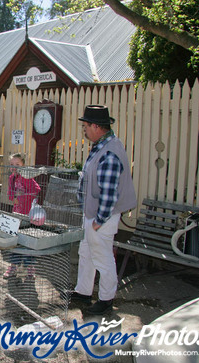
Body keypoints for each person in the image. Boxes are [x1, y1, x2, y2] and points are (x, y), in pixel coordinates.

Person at [71, 105, 137, 315]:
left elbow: (110, 192)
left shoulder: (109, 153)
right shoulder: (102, 145)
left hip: (101, 217)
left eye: (86, 125)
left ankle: (106, 299)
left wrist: (99, 220)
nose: (84, 129)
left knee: (102, 256)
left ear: (96, 127)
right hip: (93, 214)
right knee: (86, 252)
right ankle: (83, 291)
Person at [3, 153, 41, 279]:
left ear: (23, 165)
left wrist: (21, 197)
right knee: (15, 240)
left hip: (26, 214)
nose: (14, 167)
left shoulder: (26, 177)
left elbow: (36, 190)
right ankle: (13, 266)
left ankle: (30, 268)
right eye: (12, 164)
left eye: (18, 164)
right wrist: (14, 197)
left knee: (28, 241)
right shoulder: (11, 178)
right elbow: (9, 194)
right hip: (16, 214)